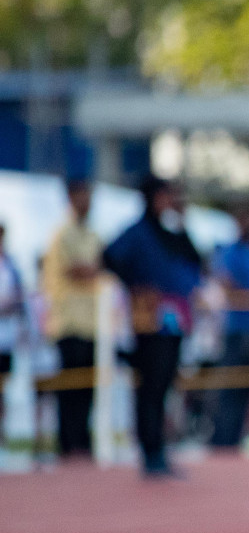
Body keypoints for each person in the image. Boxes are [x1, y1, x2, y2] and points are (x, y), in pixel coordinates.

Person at [102, 176, 204, 478]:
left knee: (164, 385)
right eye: (165, 196)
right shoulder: (138, 232)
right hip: (150, 320)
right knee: (151, 385)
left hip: (174, 319)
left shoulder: (169, 233)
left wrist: (183, 222)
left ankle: (159, 448)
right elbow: (110, 257)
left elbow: (195, 259)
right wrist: (137, 287)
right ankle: (150, 451)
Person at [40, 180, 102, 459]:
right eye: (82, 196)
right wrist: (92, 270)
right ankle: (67, 443)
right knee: (69, 387)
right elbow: (75, 270)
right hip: (68, 322)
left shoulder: (92, 234)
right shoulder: (61, 234)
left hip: (92, 323)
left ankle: (81, 439)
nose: (86, 202)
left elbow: (100, 267)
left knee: (88, 387)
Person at [209, 206, 249, 450]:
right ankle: (223, 439)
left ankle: (235, 438)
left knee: (248, 390)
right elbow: (224, 282)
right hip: (237, 329)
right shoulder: (230, 252)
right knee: (230, 388)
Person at [0, 222, 25, 454]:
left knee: (3, 390)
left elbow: (21, 299)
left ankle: (3, 438)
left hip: (5, 339)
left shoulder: (11, 267)